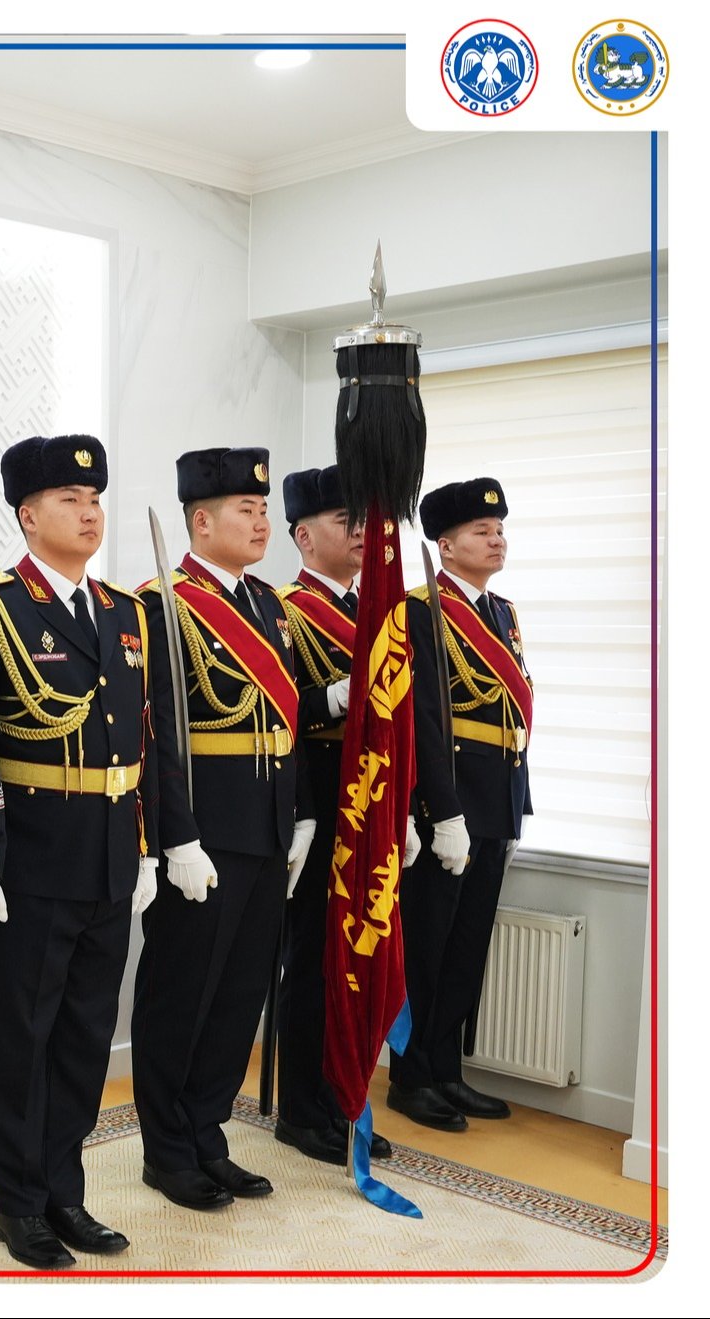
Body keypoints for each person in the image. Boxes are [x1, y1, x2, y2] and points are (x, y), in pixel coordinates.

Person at [0, 435, 157, 1269]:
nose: (89, 512)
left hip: (110, 855)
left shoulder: (124, 613)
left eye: (95, 498)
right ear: (28, 514)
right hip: (31, 861)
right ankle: (18, 1203)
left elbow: (146, 737)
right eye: (70, 499)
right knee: (20, 1037)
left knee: (83, 1037)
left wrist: (150, 846)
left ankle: (64, 1191)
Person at [130, 446, 310, 1212]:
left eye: (265, 509)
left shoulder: (271, 606)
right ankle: (166, 1149)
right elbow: (153, 735)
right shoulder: (161, 603)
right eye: (247, 509)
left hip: (267, 828)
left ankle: (207, 1132)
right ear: (201, 521)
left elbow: (287, 719)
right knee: (182, 993)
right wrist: (174, 836)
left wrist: (302, 811)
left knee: (239, 996)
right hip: (202, 832)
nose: (262, 521)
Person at [388, 477, 534, 1132]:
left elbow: (512, 714)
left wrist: (516, 803)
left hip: (496, 800)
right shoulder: (421, 610)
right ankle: (411, 1077)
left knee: (468, 947)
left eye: (500, 530)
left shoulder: (502, 613)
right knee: (428, 946)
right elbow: (421, 719)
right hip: (446, 807)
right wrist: (436, 809)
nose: (496, 539)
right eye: (482, 531)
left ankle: (447, 1069)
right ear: (445, 544)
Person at [270, 465, 406, 1165]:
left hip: (369, 794)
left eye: (363, 520)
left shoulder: (374, 610)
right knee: (314, 956)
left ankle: (343, 1097)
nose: (360, 532)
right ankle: (302, 1108)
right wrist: (328, 698)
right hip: (316, 795)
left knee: (358, 950)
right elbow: (267, 709)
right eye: (342, 520)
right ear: (303, 535)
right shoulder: (283, 610)